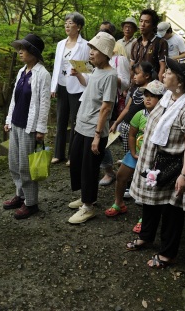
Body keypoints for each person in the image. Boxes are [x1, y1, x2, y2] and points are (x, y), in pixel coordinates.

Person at [126, 58, 185, 269]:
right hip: (156, 160)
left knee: (172, 208)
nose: (163, 74)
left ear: (180, 81)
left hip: (175, 164)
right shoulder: (168, 96)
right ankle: (146, 236)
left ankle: (168, 253)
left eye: (169, 72)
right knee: (151, 202)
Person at [67, 32, 118, 224]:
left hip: (93, 129)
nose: (91, 53)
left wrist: (97, 135)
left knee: (89, 168)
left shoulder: (111, 75)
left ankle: (88, 207)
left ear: (105, 53)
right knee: (77, 162)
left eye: (95, 49)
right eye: (91, 49)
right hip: (82, 124)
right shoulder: (96, 69)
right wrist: (79, 75)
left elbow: (106, 107)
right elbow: (88, 86)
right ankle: (86, 197)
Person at [2, 34, 51, 219]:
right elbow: (15, 99)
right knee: (14, 163)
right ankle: (20, 195)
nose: (20, 52)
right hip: (16, 123)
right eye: (19, 48)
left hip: (29, 127)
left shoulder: (43, 74)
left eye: (24, 48)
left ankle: (31, 203)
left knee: (26, 167)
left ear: (34, 52)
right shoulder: (21, 71)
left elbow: (44, 103)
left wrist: (41, 128)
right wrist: (8, 120)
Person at [104, 80, 164, 219]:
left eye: (152, 96)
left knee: (148, 184)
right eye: (146, 95)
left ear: (161, 99)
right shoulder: (140, 114)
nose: (148, 99)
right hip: (136, 153)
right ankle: (119, 203)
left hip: (153, 157)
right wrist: (132, 152)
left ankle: (146, 218)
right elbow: (132, 134)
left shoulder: (163, 117)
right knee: (121, 176)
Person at [50, 12, 91, 166]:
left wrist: (80, 75)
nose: (67, 25)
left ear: (78, 27)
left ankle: (72, 155)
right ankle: (58, 154)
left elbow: (88, 68)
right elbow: (56, 66)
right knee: (61, 119)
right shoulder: (61, 44)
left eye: (71, 23)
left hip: (77, 86)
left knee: (75, 121)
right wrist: (53, 86)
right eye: (66, 23)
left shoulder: (85, 45)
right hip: (61, 85)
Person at [96, 21, 130, 186]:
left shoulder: (119, 59)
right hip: (96, 101)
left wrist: (111, 76)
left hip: (112, 102)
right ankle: (106, 169)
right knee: (99, 136)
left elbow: (125, 83)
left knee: (104, 137)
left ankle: (110, 171)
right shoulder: (96, 56)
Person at [129, 8, 168, 81]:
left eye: (147, 22)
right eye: (141, 21)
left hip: (152, 83)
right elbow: (132, 65)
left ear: (153, 25)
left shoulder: (160, 43)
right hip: (137, 83)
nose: (142, 24)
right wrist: (131, 82)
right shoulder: (135, 44)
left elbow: (162, 67)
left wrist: (159, 85)